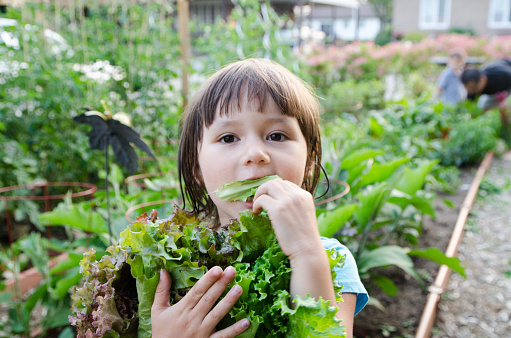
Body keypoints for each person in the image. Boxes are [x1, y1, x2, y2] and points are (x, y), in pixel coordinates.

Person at [150, 58, 368, 338]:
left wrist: (306, 253)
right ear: (196, 168)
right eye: (228, 138)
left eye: (276, 135)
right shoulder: (173, 262)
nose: (256, 153)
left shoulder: (329, 260)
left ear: (311, 161)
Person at [461, 59, 511, 124]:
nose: (472, 92)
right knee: (483, 109)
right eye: (469, 90)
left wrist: (507, 102)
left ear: (483, 79)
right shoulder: (472, 88)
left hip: (508, 83)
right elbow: (469, 108)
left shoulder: (503, 74)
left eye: (474, 89)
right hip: (494, 91)